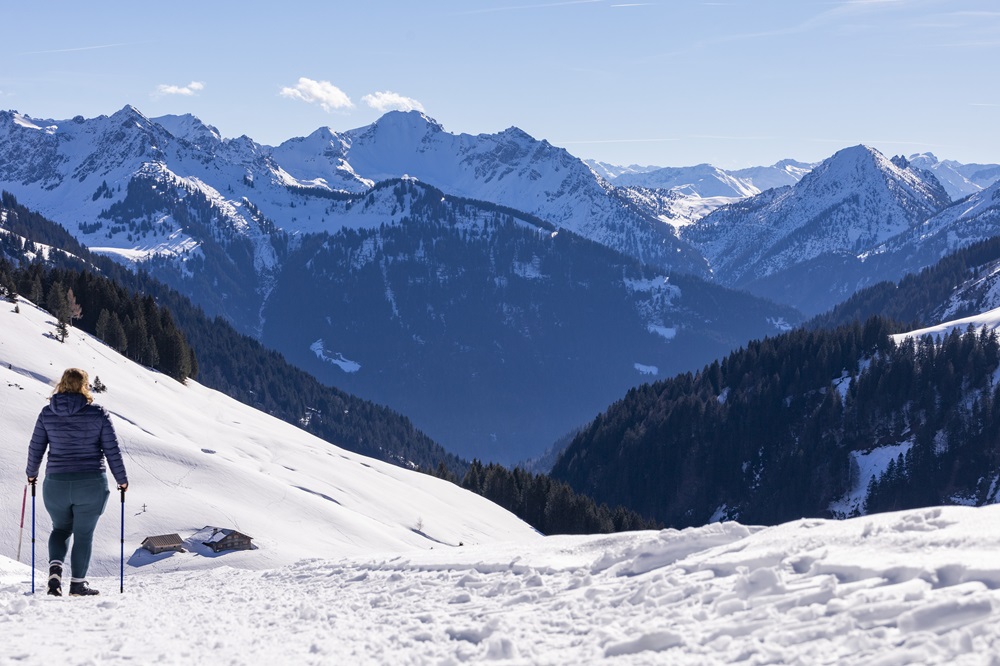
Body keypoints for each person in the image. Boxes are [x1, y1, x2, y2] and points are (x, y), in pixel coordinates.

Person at [26, 368, 128, 597]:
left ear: (61, 383)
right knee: (84, 534)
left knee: (60, 529)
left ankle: (55, 569)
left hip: (56, 484)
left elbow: (36, 448)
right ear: (85, 386)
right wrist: (122, 480)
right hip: (91, 483)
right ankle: (77, 585)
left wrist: (31, 474)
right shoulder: (98, 413)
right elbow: (112, 451)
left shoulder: (46, 413)